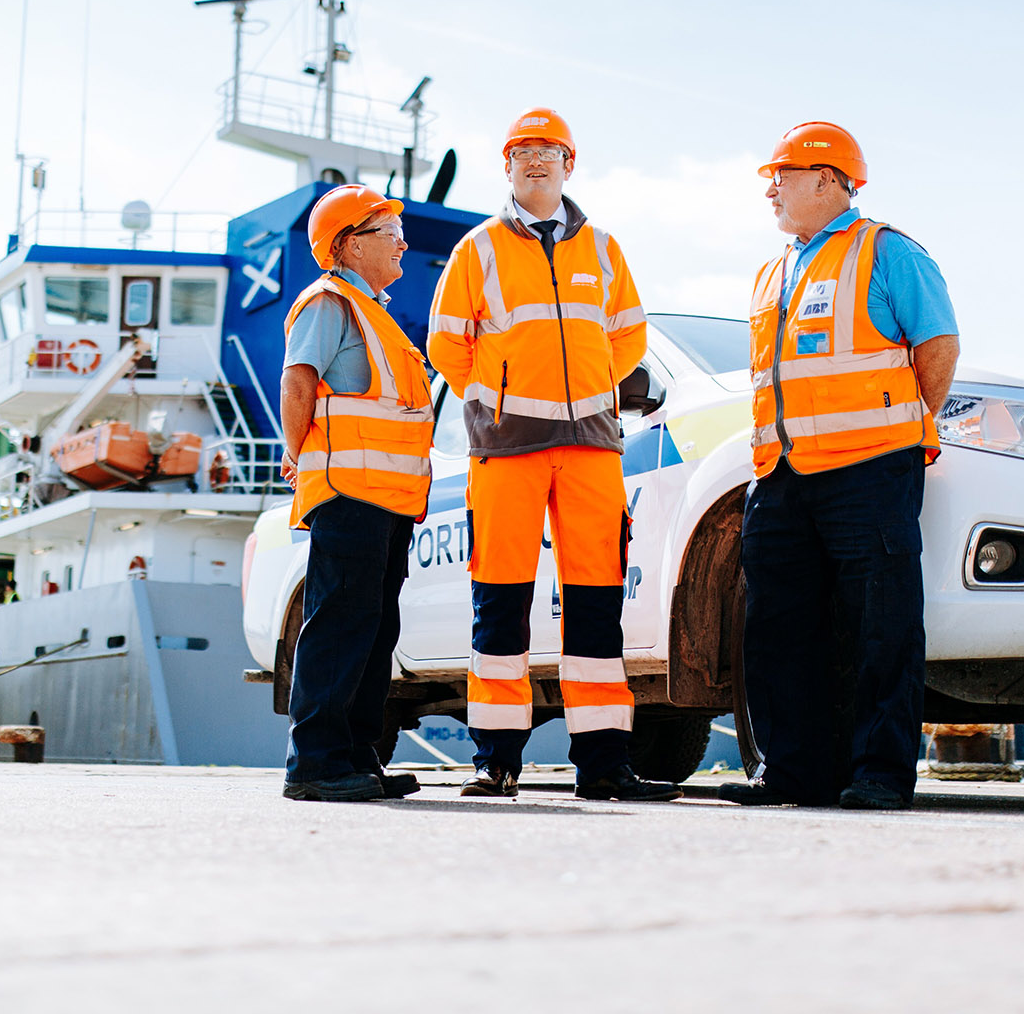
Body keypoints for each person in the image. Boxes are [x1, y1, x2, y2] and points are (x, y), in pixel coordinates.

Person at [427, 108, 679, 802]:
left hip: (592, 446)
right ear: (507, 166)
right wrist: (500, 396)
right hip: (506, 449)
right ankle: (496, 762)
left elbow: (628, 338)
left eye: (549, 150)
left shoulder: (603, 248)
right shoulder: (477, 249)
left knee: (597, 605)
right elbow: (446, 344)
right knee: (500, 603)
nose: (535, 160)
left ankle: (603, 766)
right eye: (522, 151)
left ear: (570, 164)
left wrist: (588, 393)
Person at [722, 121, 960, 811]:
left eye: (782, 175)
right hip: (782, 476)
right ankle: (792, 773)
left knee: (882, 626)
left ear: (827, 180)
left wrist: (897, 427)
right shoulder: (772, 272)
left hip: (870, 470)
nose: (771, 189)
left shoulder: (887, 251)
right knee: (779, 626)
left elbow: (938, 349)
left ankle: (880, 774)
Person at [278, 184, 435, 802]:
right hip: (349, 493)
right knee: (340, 627)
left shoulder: (374, 312)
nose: (402, 242)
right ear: (348, 245)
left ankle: (357, 758)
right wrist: (296, 453)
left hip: (387, 499)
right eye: (388, 232)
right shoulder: (329, 302)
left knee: (372, 630)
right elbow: (298, 382)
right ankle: (314, 765)